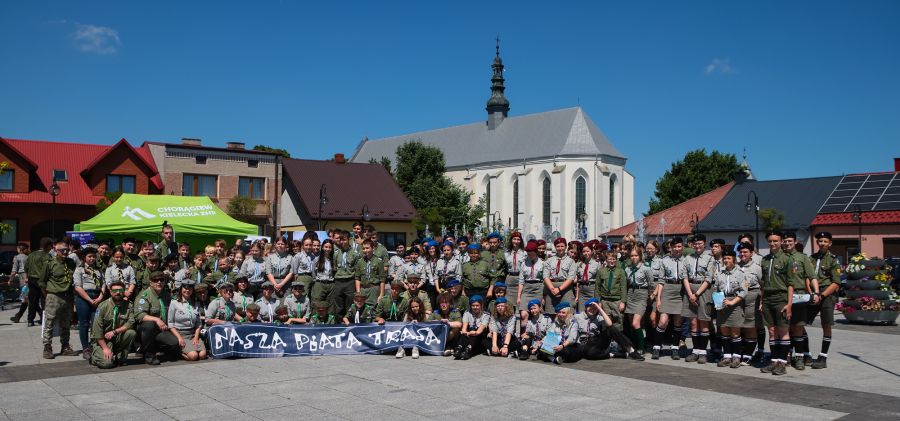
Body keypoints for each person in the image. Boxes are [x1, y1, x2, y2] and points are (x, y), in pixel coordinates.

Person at [760, 231, 796, 376]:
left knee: (783, 331)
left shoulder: (787, 259)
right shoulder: (765, 260)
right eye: (770, 241)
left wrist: (789, 304)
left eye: (775, 241)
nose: (773, 243)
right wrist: (762, 301)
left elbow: (791, 284)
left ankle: (782, 362)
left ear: (781, 242)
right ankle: (774, 360)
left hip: (781, 298)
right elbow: (763, 283)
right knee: (771, 331)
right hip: (768, 298)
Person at [781, 231, 819, 370]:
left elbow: (812, 276)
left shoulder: (802, 257)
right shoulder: (779, 256)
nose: (787, 243)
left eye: (790, 241)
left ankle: (799, 357)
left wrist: (816, 292)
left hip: (798, 295)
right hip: (782, 296)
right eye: (785, 241)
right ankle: (786, 356)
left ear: (795, 242)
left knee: (798, 327)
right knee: (785, 327)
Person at [40, 239, 80, 359]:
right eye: (62, 250)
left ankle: (65, 346)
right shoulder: (49, 263)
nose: (65, 252)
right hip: (54, 295)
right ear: (56, 250)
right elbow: (42, 282)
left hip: (68, 296)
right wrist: (48, 295)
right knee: (49, 322)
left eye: (67, 250)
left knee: (66, 322)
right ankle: (47, 347)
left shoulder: (71, 262)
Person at [807, 232, 840, 369]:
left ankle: (823, 357)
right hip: (812, 293)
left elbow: (836, 283)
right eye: (820, 241)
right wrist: (811, 293)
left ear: (830, 243)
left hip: (827, 295)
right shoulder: (811, 258)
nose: (822, 243)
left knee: (826, 325)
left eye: (825, 241)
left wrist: (821, 295)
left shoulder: (833, 260)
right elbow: (807, 277)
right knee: (800, 322)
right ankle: (806, 354)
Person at [652, 237, 689, 360]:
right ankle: (657, 347)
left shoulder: (686, 260)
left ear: (682, 247)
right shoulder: (665, 260)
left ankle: (675, 348)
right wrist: (659, 299)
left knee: (678, 322)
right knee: (663, 321)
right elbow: (661, 281)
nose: (677, 249)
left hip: (680, 291)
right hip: (668, 289)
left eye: (679, 246)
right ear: (671, 248)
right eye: (674, 247)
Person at [683, 234, 715, 364]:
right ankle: (695, 351)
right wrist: (690, 293)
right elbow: (684, 276)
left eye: (699, 243)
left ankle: (703, 352)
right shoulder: (687, 258)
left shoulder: (709, 258)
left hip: (703, 290)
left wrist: (696, 295)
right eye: (695, 244)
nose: (697, 246)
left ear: (704, 244)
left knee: (703, 321)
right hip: (690, 289)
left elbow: (709, 278)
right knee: (693, 322)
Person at [577, 298, 643, 360]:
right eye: (590, 307)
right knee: (590, 354)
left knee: (611, 328)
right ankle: (613, 355)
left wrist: (599, 308)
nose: (592, 310)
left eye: (595, 308)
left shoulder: (599, 318)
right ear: (586, 307)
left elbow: (610, 324)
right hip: (584, 344)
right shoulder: (578, 317)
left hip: (596, 343)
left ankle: (631, 350)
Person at [90, 280, 136, 368]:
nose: (118, 292)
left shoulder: (129, 305)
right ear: (111, 292)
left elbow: (130, 322)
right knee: (107, 364)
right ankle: (94, 357)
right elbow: (97, 331)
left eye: (120, 290)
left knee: (131, 333)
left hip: (117, 337)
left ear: (124, 292)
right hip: (103, 340)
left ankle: (120, 356)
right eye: (115, 290)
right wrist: (105, 348)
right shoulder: (103, 306)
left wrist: (115, 332)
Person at [134, 272, 178, 365]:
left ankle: (156, 347)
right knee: (149, 325)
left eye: (161, 280)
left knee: (174, 343)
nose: (159, 282)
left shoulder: (166, 295)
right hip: (146, 329)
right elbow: (139, 315)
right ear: (150, 282)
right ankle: (149, 355)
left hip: (161, 329)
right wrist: (157, 319)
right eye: (155, 280)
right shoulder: (144, 296)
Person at [712, 250, 747, 368]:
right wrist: (719, 304)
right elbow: (716, 289)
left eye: (729, 258)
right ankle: (727, 356)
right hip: (722, 302)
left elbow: (744, 291)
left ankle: (736, 357)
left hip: (735, 303)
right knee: (724, 331)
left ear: (734, 260)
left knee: (735, 332)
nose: (726, 261)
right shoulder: (719, 273)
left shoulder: (740, 273)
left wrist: (732, 302)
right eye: (725, 259)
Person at [73, 247, 104, 359]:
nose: (92, 259)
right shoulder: (79, 270)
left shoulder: (98, 270)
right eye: (89, 256)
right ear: (84, 258)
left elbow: (103, 284)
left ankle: (94, 345)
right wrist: (90, 300)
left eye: (94, 257)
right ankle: (85, 348)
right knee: (84, 323)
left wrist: (100, 297)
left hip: (97, 296)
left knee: (96, 323)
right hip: (84, 298)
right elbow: (78, 287)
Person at [624, 247, 654, 355]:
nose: (634, 258)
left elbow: (651, 284)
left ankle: (641, 348)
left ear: (640, 256)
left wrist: (650, 296)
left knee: (636, 322)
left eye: (636, 255)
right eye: (632, 256)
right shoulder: (627, 269)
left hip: (641, 294)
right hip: (630, 294)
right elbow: (626, 283)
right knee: (632, 323)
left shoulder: (646, 268)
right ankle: (635, 345)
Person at [167, 280, 206, 361]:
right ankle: (177, 351)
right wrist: (179, 338)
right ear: (181, 289)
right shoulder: (174, 303)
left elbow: (198, 324)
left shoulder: (195, 303)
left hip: (192, 334)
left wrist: (196, 337)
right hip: (180, 334)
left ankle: (189, 349)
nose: (187, 290)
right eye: (185, 288)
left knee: (202, 355)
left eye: (190, 289)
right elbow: (170, 324)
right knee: (193, 356)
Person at [543, 237, 576, 314]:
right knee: (551, 314)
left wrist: (559, 289)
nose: (560, 248)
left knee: (567, 314)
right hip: (551, 288)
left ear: (566, 247)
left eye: (562, 246)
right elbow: (545, 276)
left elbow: (570, 278)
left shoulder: (571, 261)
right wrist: (552, 289)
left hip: (565, 289)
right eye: (558, 246)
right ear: (555, 247)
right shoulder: (549, 260)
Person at [24, 238, 52, 327]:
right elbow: (50, 269)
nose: (51, 248)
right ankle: (44, 319)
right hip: (43, 280)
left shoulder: (31, 255)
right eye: (51, 246)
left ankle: (30, 320)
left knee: (32, 300)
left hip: (32, 279)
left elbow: (26, 267)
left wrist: (26, 277)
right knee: (44, 300)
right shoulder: (47, 256)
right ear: (48, 246)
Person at [516, 241, 544, 325]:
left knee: (537, 313)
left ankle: (537, 331)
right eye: (528, 254)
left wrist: (544, 296)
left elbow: (545, 279)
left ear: (536, 252)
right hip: (527, 288)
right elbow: (521, 280)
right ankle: (523, 332)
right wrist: (519, 296)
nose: (530, 256)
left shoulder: (542, 263)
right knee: (523, 314)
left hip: (538, 288)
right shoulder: (524, 263)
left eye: (532, 254)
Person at [456, 295, 490, 360]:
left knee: (474, 334)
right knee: (463, 334)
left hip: (480, 336)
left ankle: (468, 350)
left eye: (477, 305)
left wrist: (473, 332)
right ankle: (459, 348)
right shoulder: (467, 313)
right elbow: (464, 328)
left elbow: (479, 331)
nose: (475, 307)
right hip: (469, 333)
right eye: (473, 305)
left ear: (481, 305)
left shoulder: (486, 315)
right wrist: (465, 332)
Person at [429, 292, 463, 356]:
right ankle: (446, 348)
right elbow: (428, 323)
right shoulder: (436, 312)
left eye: (446, 302)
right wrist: (438, 322)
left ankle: (449, 347)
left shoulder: (455, 311)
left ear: (450, 303)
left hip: (450, 336)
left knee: (456, 329)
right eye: (441, 302)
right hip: (438, 335)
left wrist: (447, 323)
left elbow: (459, 324)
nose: (443, 304)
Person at [355, 240, 386, 307]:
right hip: (363, 290)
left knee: (373, 308)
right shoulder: (360, 262)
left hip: (373, 289)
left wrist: (381, 295)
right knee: (362, 309)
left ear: (373, 248)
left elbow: (382, 280)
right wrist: (358, 292)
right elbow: (357, 278)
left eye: (367, 248)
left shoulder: (379, 261)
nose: (365, 250)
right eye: (363, 248)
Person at [575, 243, 601, 311]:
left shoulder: (597, 263)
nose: (586, 253)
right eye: (584, 251)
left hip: (592, 289)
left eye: (588, 251)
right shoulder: (579, 264)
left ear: (592, 251)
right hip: (582, 290)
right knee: (581, 310)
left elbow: (599, 280)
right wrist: (577, 295)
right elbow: (578, 281)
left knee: (591, 310)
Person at [8, 243, 29, 324]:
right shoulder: (28, 257)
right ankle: (18, 316)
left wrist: (10, 280)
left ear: (19, 249)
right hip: (30, 278)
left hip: (23, 279)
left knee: (26, 299)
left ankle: (18, 316)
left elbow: (14, 271)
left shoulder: (17, 257)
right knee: (28, 298)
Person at [311, 239, 336, 305]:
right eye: (326, 247)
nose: (327, 249)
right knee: (316, 303)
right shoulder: (317, 259)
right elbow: (313, 272)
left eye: (330, 247)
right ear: (322, 247)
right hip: (320, 284)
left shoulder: (333, 259)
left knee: (330, 304)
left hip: (331, 284)